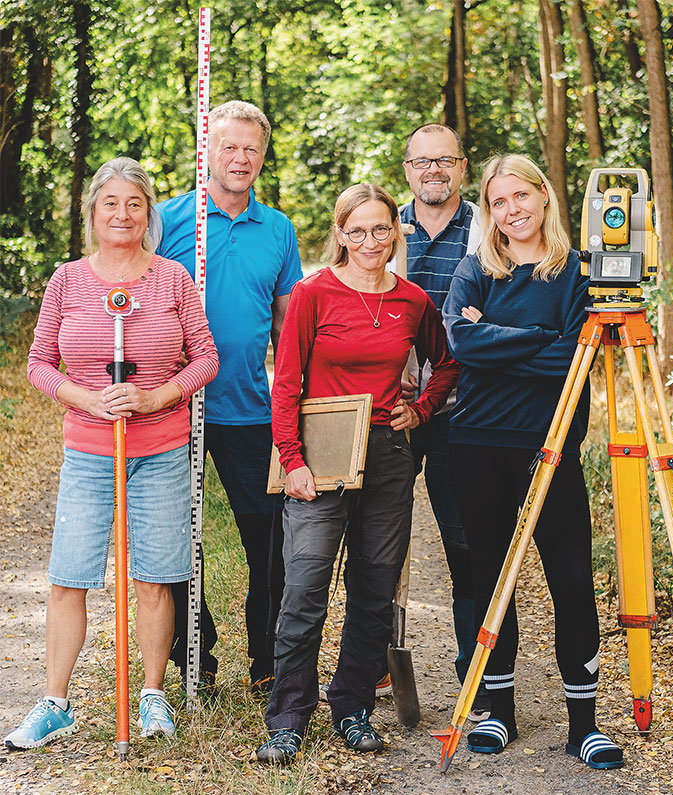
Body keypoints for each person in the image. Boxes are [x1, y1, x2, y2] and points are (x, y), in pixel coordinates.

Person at [4, 157, 219, 750]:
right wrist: (87, 399)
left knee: (153, 578)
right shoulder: (67, 280)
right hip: (91, 450)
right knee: (69, 576)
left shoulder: (173, 278)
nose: (121, 214)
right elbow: (39, 363)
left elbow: (205, 358)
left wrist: (154, 396)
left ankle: (152, 695)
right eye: (110, 203)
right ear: (93, 211)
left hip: (162, 447)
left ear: (148, 214)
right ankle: (56, 702)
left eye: (133, 204)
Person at [257, 183, 459, 765]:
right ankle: (288, 719)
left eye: (381, 229)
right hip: (319, 457)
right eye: (358, 230)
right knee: (305, 590)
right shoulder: (311, 294)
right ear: (340, 234)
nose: (371, 241)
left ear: (395, 232)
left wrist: (418, 410)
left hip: (388, 457)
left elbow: (445, 366)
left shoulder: (413, 301)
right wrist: (291, 461)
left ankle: (351, 707)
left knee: (374, 589)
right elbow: (287, 382)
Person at [442, 154, 624, 769]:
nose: (512, 209)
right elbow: (461, 343)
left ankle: (584, 724)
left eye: (522, 196)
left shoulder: (578, 273)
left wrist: (498, 338)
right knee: (493, 576)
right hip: (478, 443)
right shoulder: (475, 269)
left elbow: (576, 357)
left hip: (551, 443)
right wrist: (537, 341)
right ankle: (498, 711)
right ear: (488, 211)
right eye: (498, 201)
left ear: (545, 198)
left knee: (571, 577)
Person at [157, 100, 303, 696]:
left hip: (249, 409)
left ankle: (267, 661)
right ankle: (196, 658)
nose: (240, 158)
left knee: (269, 543)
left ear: (263, 157)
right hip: (171, 408)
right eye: (229, 146)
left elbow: (288, 325)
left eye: (252, 149)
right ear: (206, 149)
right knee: (172, 540)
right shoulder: (167, 219)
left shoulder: (278, 229)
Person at [397, 123, 488, 717]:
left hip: (466, 412)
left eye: (445, 160)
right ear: (407, 168)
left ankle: (478, 672)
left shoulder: (487, 227)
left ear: (461, 166)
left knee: (468, 546)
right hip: (394, 413)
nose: (434, 170)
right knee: (379, 547)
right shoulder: (384, 225)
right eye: (422, 161)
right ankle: (381, 663)